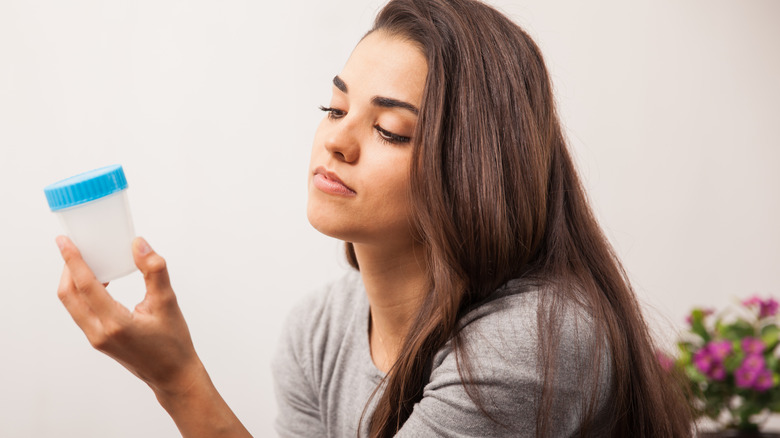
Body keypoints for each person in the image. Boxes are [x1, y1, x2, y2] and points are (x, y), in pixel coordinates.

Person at [55, 0, 694, 436]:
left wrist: (177, 378)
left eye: (390, 130)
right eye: (335, 109)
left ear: (473, 166)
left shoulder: (536, 341)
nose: (337, 140)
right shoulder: (320, 330)